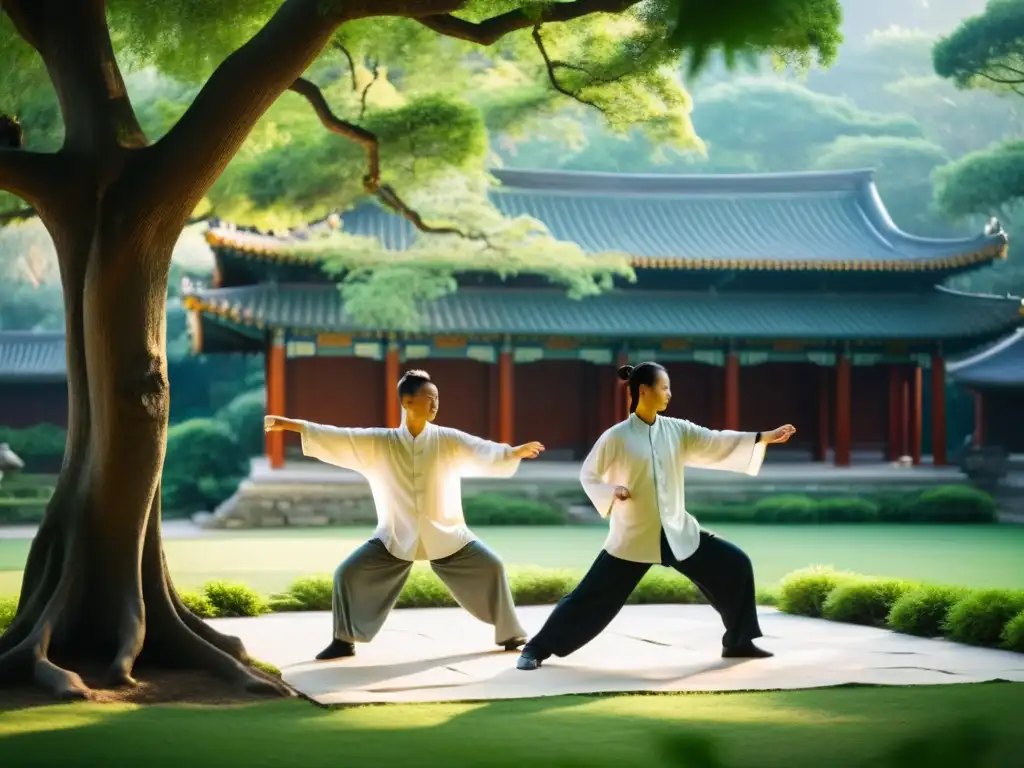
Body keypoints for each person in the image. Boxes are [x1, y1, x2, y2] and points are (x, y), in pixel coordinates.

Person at [516, 361, 795, 671]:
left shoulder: (677, 429)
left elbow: (716, 440)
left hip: (678, 530)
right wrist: (612, 491)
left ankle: (738, 641)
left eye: (669, 388)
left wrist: (764, 437)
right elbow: (589, 473)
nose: (669, 394)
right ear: (644, 390)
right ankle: (535, 649)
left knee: (735, 565)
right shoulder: (617, 436)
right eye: (664, 387)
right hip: (634, 536)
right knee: (591, 598)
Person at [264, 369, 545, 661]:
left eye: (437, 398)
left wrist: (512, 453)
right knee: (346, 574)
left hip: (447, 534)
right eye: (429, 397)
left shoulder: (448, 439)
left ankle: (511, 634)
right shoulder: (381, 443)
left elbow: (481, 449)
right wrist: (288, 424)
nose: (435, 403)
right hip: (395, 535)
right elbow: (339, 436)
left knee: (493, 566)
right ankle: (343, 640)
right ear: (408, 402)